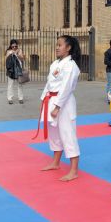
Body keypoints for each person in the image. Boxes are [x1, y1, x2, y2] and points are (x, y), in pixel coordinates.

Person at [36, 35, 82, 182]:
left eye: (60, 45)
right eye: (57, 44)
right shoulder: (55, 63)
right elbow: (49, 84)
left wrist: (57, 106)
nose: (57, 47)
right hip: (51, 99)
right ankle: (56, 162)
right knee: (54, 133)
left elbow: (66, 88)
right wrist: (43, 100)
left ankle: (74, 170)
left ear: (68, 48)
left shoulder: (71, 66)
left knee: (67, 134)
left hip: (64, 103)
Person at [5, 39, 25, 104]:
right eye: (13, 46)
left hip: (18, 69)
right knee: (10, 85)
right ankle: (10, 98)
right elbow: (6, 60)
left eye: (15, 46)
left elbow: (22, 58)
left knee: (20, 84)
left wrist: (17, 54)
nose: (14, 48)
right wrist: (11, 54)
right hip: (11, 70)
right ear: (10, 46)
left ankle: (21, 98)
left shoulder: (19, 50)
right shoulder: (8, 51)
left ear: (17, 46)